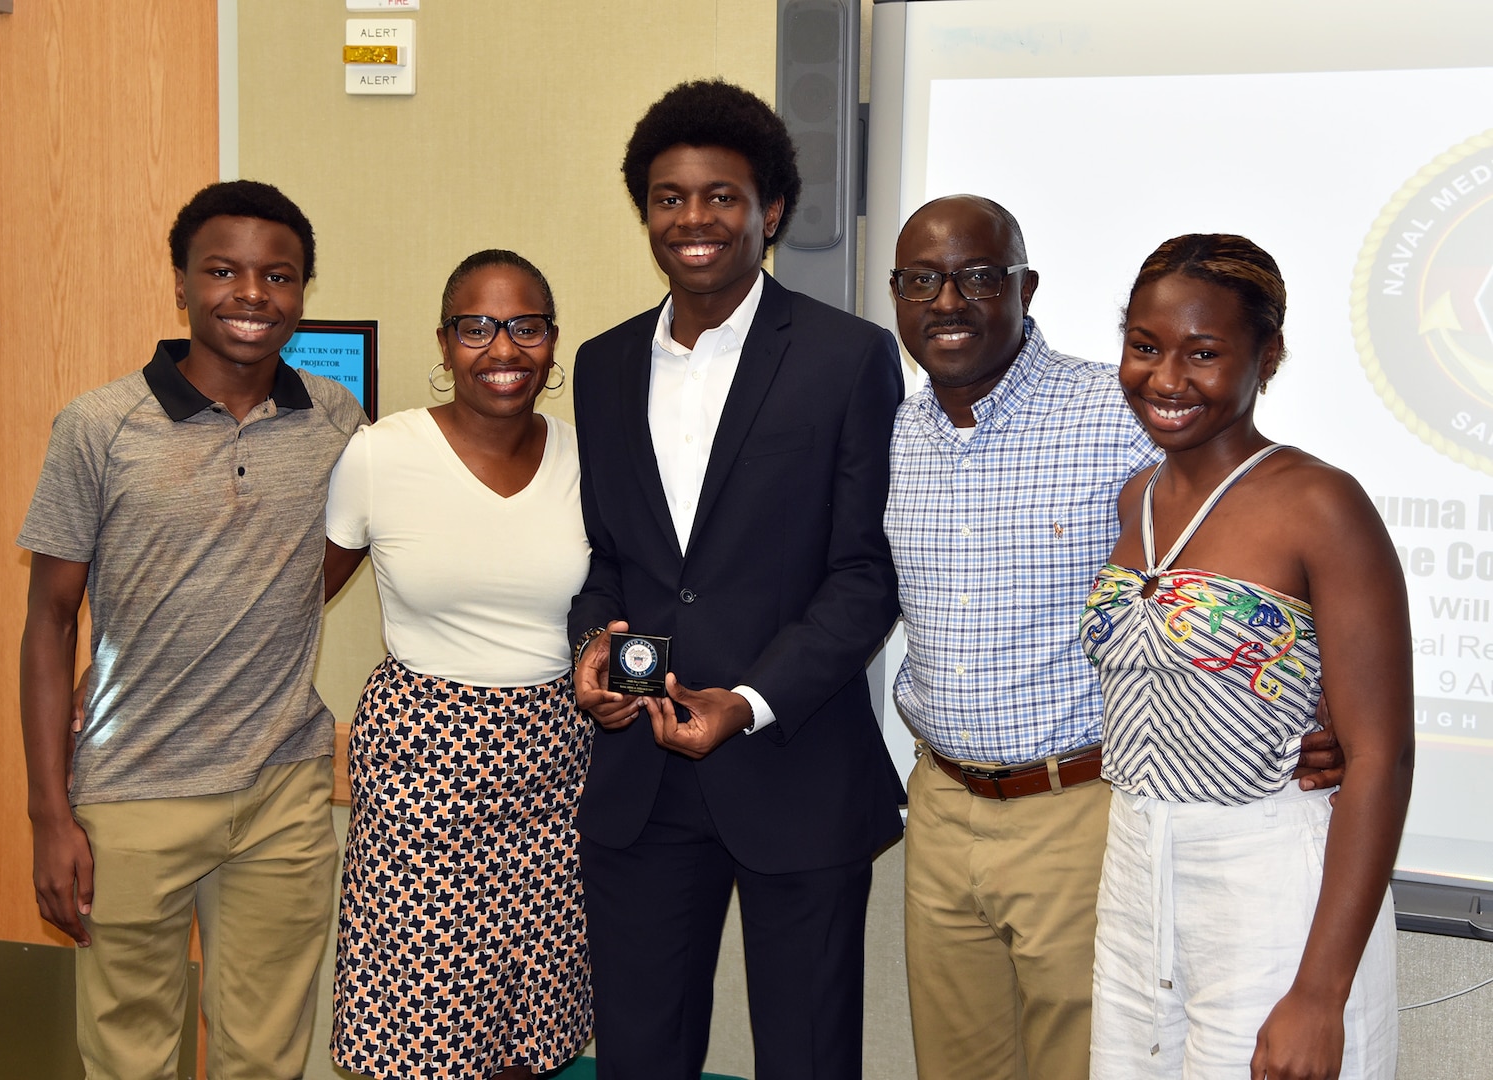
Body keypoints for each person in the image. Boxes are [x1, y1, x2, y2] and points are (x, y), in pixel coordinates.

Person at [884, 196, 1345, 1080]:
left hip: (1080, 805)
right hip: (938, 808)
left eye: (980, 276)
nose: (949, 301)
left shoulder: (1125, 406)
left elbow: (1254, 535)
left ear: (1028, 288)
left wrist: (1315, 692)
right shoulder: (893, 431)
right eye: (921, 281)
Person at [568, 80, 905, 1080]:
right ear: (645, 214)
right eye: (670, 197)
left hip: (793, 766)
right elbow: (609, 557)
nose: (695, 219)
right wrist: (594, 650)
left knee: (805, 1058)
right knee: (640, 1055)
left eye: (723, 196)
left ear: (772, 212)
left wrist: (750, 703)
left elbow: (863, 573)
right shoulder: (601, 363)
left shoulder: (849, 358)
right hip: (641, 778)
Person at [18, 179, 366, 1077]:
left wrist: (279, 592)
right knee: (130, 1053)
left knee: (266, 1054)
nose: (252, 295)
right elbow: (50, 621)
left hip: (282, 795)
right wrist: (49, 814)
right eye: (223, 270)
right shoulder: (99, 426)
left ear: (302, 293)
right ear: (181, 283)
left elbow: (345, 543)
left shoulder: (334, 419)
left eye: (277, 276)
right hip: (133, 795)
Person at [1082, 233, 1411, 1079]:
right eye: (1144, 346)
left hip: (1271, 884)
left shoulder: (1319, 502)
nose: (1165, 379)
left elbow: (1379, 757)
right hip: (1134, 872)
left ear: (1267, 358)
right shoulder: (1136, 498)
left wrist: (1320, 992)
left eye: (1204, 353)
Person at [323, 250, 592, 1080]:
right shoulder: (379, 454)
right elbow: (292, 602)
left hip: (558, 763)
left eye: (525, 327)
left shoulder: (593, 457)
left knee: (529, 1023)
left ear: (551, 342)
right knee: (425, 1028)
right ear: (443, 344)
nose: (502, 349)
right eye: (476, 328)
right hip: (422, 763)